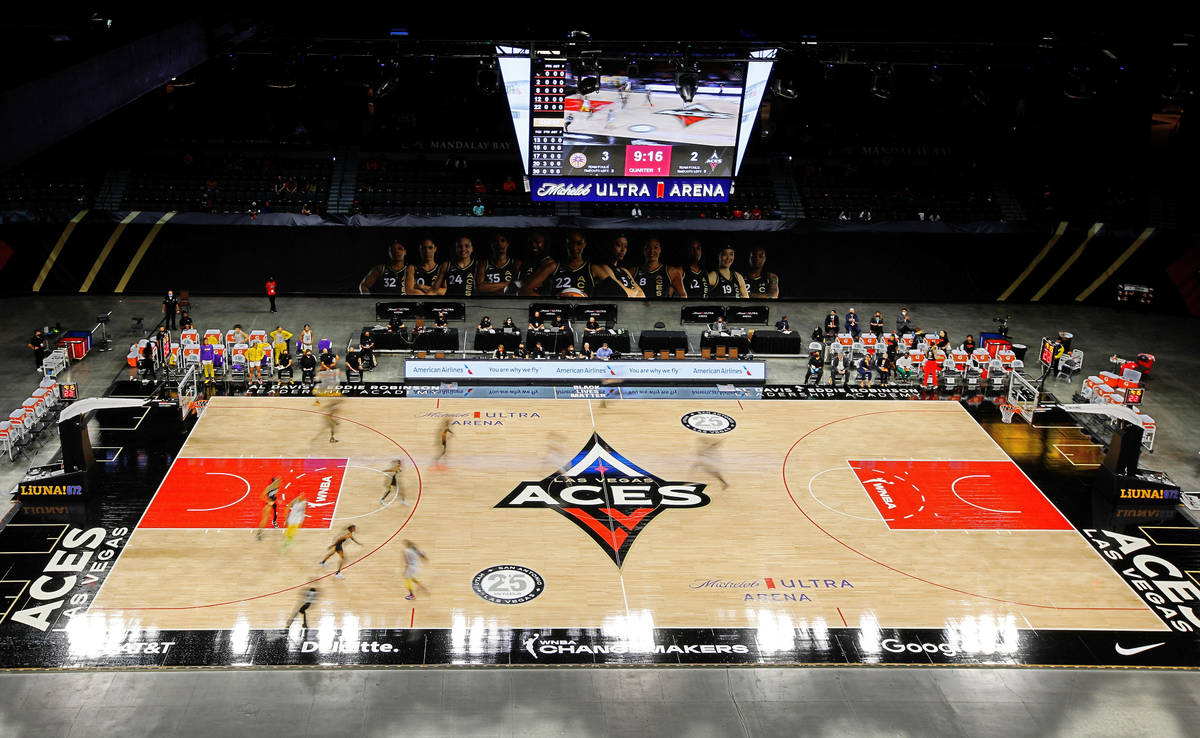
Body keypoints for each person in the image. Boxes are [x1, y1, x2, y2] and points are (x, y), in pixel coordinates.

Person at [521, 230, 627, 298]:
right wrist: (552, 298)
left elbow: (619, 293)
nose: (574, 248)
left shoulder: (593, 269)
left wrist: (591, 299)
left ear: (585, 244)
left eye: (579, 243)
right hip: (557, 310)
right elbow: (524, 291)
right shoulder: (554, 267)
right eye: (571, 243)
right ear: (566, 244)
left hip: (583, 312)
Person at [517, 232, 553, 296]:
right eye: (530, 242)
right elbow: (514, 286)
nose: (533, 245)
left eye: (537, 242)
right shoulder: (523, 264)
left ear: (545, 243)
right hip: (523, 302)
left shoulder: (551, 264)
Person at [255, 475, 282, 540]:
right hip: (267, 505)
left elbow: (273, 495)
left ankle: (260, 532)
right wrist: (268, 501)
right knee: (264, 520)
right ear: (273, 483)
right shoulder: (268, 488)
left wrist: (277, 500)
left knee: (272, 516)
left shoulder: (276, 487)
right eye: (277, 482)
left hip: (272, 503)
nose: (279, 483)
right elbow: (261, 496)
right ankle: (259, 533)